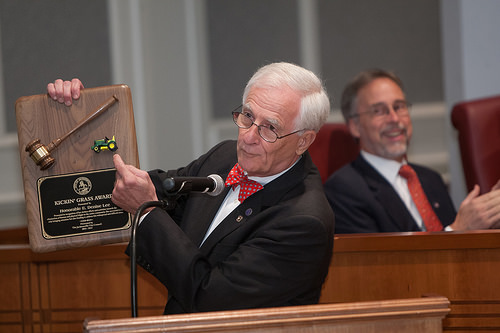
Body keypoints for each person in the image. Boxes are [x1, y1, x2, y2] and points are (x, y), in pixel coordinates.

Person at [47, 62, 335, 314]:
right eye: (247, 116)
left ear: (304, 140)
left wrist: (146, 213)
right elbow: (136, 190)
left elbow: (210, 298)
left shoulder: (302, 221)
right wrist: (75, 121)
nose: (248, 137)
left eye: (269, 128)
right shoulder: (223, 158)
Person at [323, 69, 500, 234]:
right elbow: (378, 265)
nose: (394, 118)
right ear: (355, 126)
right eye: (379, 111)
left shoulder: (431, 179)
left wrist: (489, 222)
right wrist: (458, 231)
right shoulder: (342, 191)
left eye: (399, 107)